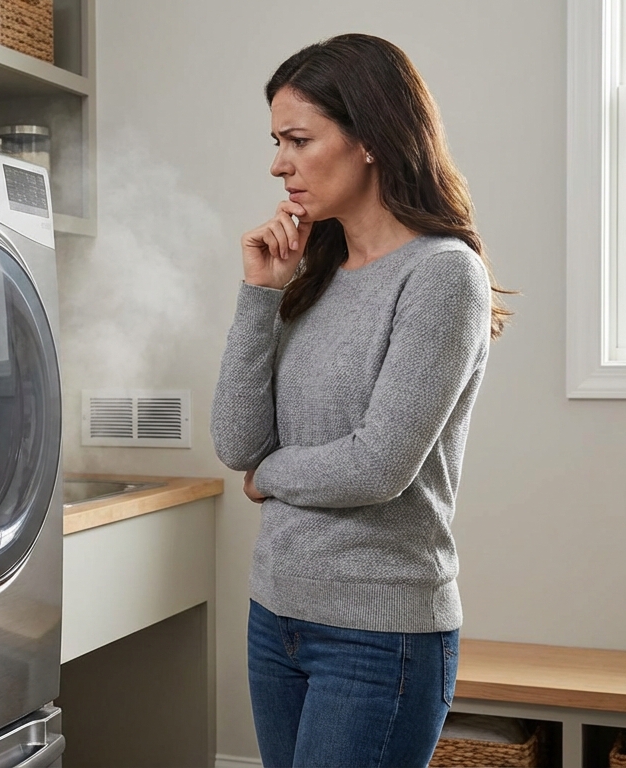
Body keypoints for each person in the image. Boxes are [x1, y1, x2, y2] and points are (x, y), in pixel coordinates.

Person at [210, 33, 514, 768]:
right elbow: (236, 443)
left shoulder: (442, 276)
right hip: (275, 616)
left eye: (299, 139)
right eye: (277, 140)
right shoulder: (314, 272)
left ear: (371, 138)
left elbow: (378, 467)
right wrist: (259, 295)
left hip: (379, 637)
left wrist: (268, 479)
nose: (278, 162)